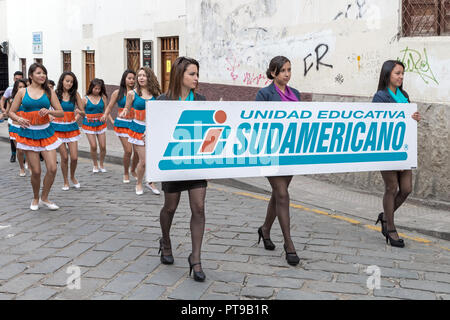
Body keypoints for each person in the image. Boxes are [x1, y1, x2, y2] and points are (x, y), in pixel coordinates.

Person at [156, 57, 208, 282]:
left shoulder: (202, 100)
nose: (196, 78)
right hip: (171, 162)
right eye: (192, 74)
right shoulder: (162, 100)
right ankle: (165, 241)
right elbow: (156, 132)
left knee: (198, 207)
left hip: (196, 162)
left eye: (197, 74)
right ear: (180, 75)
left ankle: (195, 258)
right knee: (170, 207)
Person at [255, 56, 301, 266]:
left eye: (289, 70)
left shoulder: (296, 94)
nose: (287, 74)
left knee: (278, 194)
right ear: (273, 73)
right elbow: (256, 121)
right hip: (270, 150)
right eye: (283, 70)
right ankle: (289, 243)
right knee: (282, 194)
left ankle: (265, 229)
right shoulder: (264, 94)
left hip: (290, 151)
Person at [373, 60, 421, 248]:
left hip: (404, 150)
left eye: (402, 73)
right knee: (391, 189)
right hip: (387, 150)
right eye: (397, 73)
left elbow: (406, 122)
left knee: (407, 189)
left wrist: (414, 119)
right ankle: (391, 228)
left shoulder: (404, 95)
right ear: (388, 75)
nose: (401, 77)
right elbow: (379, 124)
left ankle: (385, 217)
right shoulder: (380, 97)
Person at [8, 63, 64, 210]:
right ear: (31, 76)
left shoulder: (49, 92)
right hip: (29, 134)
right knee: (37, 171)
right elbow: (11, 112)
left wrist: (49, 112)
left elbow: (61, 112)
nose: (42, 76)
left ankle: (45, 197)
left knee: (52, 168)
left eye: (44, 73)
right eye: (39, 73)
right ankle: (35, 198)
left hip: (46, 133)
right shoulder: (22, 92)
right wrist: (19, 119)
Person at [119, 67, 160, 195]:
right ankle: (138, 183)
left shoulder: (156, 94)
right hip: (137, 129)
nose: (141, 78)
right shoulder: (132, 93)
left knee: (152, 159)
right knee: (144, 160)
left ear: (149, 78)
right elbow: (127, 107)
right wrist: (125, 112)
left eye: (144, 75)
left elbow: (159, 112)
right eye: (139, 75)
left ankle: (151, 182)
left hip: (152, 129)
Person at [103, 70, 139, 183]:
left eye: (134, 78)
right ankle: (126, 172)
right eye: (129, 78)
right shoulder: (117, 93)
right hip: (122, 124)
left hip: (135, 124)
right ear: (124, 79)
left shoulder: (138, 93)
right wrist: (106, 115)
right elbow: (109, 106)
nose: (132, 80)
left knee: (137, 152)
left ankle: (133, 169)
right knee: (128, 151)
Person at [52, 72, 85, 190]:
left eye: (71, 82)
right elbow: (50, 108)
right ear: (62, 81)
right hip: (58, 128)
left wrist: (78, 113)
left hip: (71, 128)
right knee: (64, 157)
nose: (69, 84)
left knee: (74, 157)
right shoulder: (55, 94)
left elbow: (83, 112)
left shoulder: (75, 94)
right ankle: (65, 181)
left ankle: (72, 177)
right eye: (67, 81)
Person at [81, 78, 108, 173]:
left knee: (103, 146)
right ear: (91, 88)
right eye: (95, 88)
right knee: (93, 146)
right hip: (89, 124)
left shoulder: (103, 97)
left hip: (101, 123)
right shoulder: (85, 99)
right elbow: (81, 111)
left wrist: (106, 117)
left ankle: (101, 164)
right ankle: (95, 164)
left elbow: (106, 110)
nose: (97, 90)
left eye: (99, 89)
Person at [5, 79, 29, 176]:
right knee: (19, 149)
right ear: (16, 88)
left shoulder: (29, 99)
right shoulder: (11, 100)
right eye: (20, 87)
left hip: (26, 127)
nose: (22, 89)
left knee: (27, 148)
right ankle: (22, 168)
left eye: (24, 87)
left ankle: (28, 163)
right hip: (15, 126)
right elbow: (8, 112)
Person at [1, 71, 24, 163]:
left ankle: (27, 161)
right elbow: (4, 103)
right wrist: (3, 109)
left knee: (26, 147)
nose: (21, 88)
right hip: (13, 123)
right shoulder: (10, 94)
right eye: (16, 79)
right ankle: (14, 155)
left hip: (25, 124)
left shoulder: (29, 95)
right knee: (16, 144)